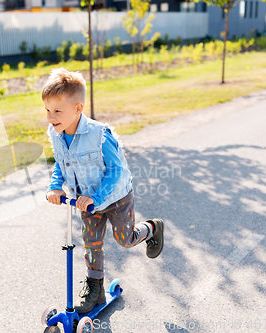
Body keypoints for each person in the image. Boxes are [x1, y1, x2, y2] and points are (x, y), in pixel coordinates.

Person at [44, 67, 164, 314]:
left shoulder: (100, 135)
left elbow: (118, 171)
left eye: (57, 111)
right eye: (47, 110)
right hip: (87, 202)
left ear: (78, 109)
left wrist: (96, 197)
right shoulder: (56, 133)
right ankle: (95, 290)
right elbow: (60, 162)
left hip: (116, 197)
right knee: (91, 242)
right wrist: (56, 186)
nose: (50, 116)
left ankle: (152, 227)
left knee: (126, 240)